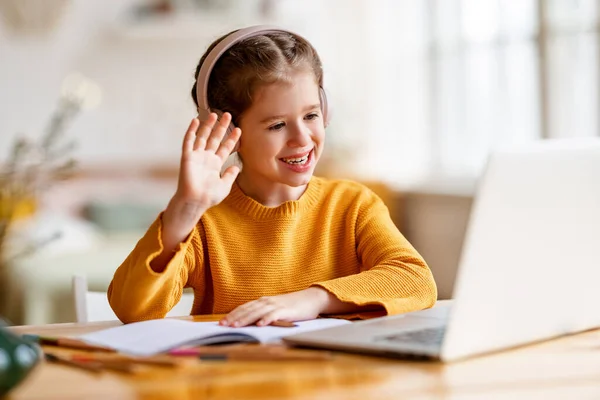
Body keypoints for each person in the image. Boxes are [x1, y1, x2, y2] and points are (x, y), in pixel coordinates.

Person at [107, 25, 437, 327]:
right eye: (277, 125)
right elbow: (133, 310)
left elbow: (415, 279)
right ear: (228, 131)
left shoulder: (354, 205)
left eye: (311, 115)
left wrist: (311, 299)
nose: (303, 138)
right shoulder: (204, 222)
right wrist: (184, 210)